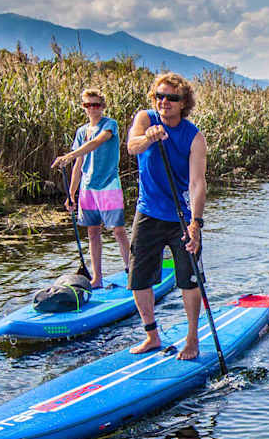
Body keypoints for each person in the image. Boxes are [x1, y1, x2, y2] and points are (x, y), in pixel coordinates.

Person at [125, 73, 208, 361]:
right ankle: (151, 335)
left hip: (181, 216)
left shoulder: (194, 137)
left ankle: (192, 338)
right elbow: (131, 146)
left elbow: (198, 183)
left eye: (171, 97)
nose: (164, 102)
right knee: (138, 278)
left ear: (183, 102)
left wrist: (196, 223)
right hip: (147, 212)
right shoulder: (145, 119)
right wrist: (147, 138)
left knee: (189, 279)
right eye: (159, 96)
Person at [52, 88, 129, 289]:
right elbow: (79, 163)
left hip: (109, 185)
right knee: (92, 233)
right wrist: (71, 193)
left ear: (102, 106)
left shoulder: (110, 125)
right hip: (88, 189)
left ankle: (132, 271)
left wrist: (66, 157)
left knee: (118, 231)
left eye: (95, 104)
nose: (92, 108)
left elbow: (96, 142)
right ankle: (97, 278)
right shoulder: (81, 132)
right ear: (83, 107)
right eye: (87, 105)